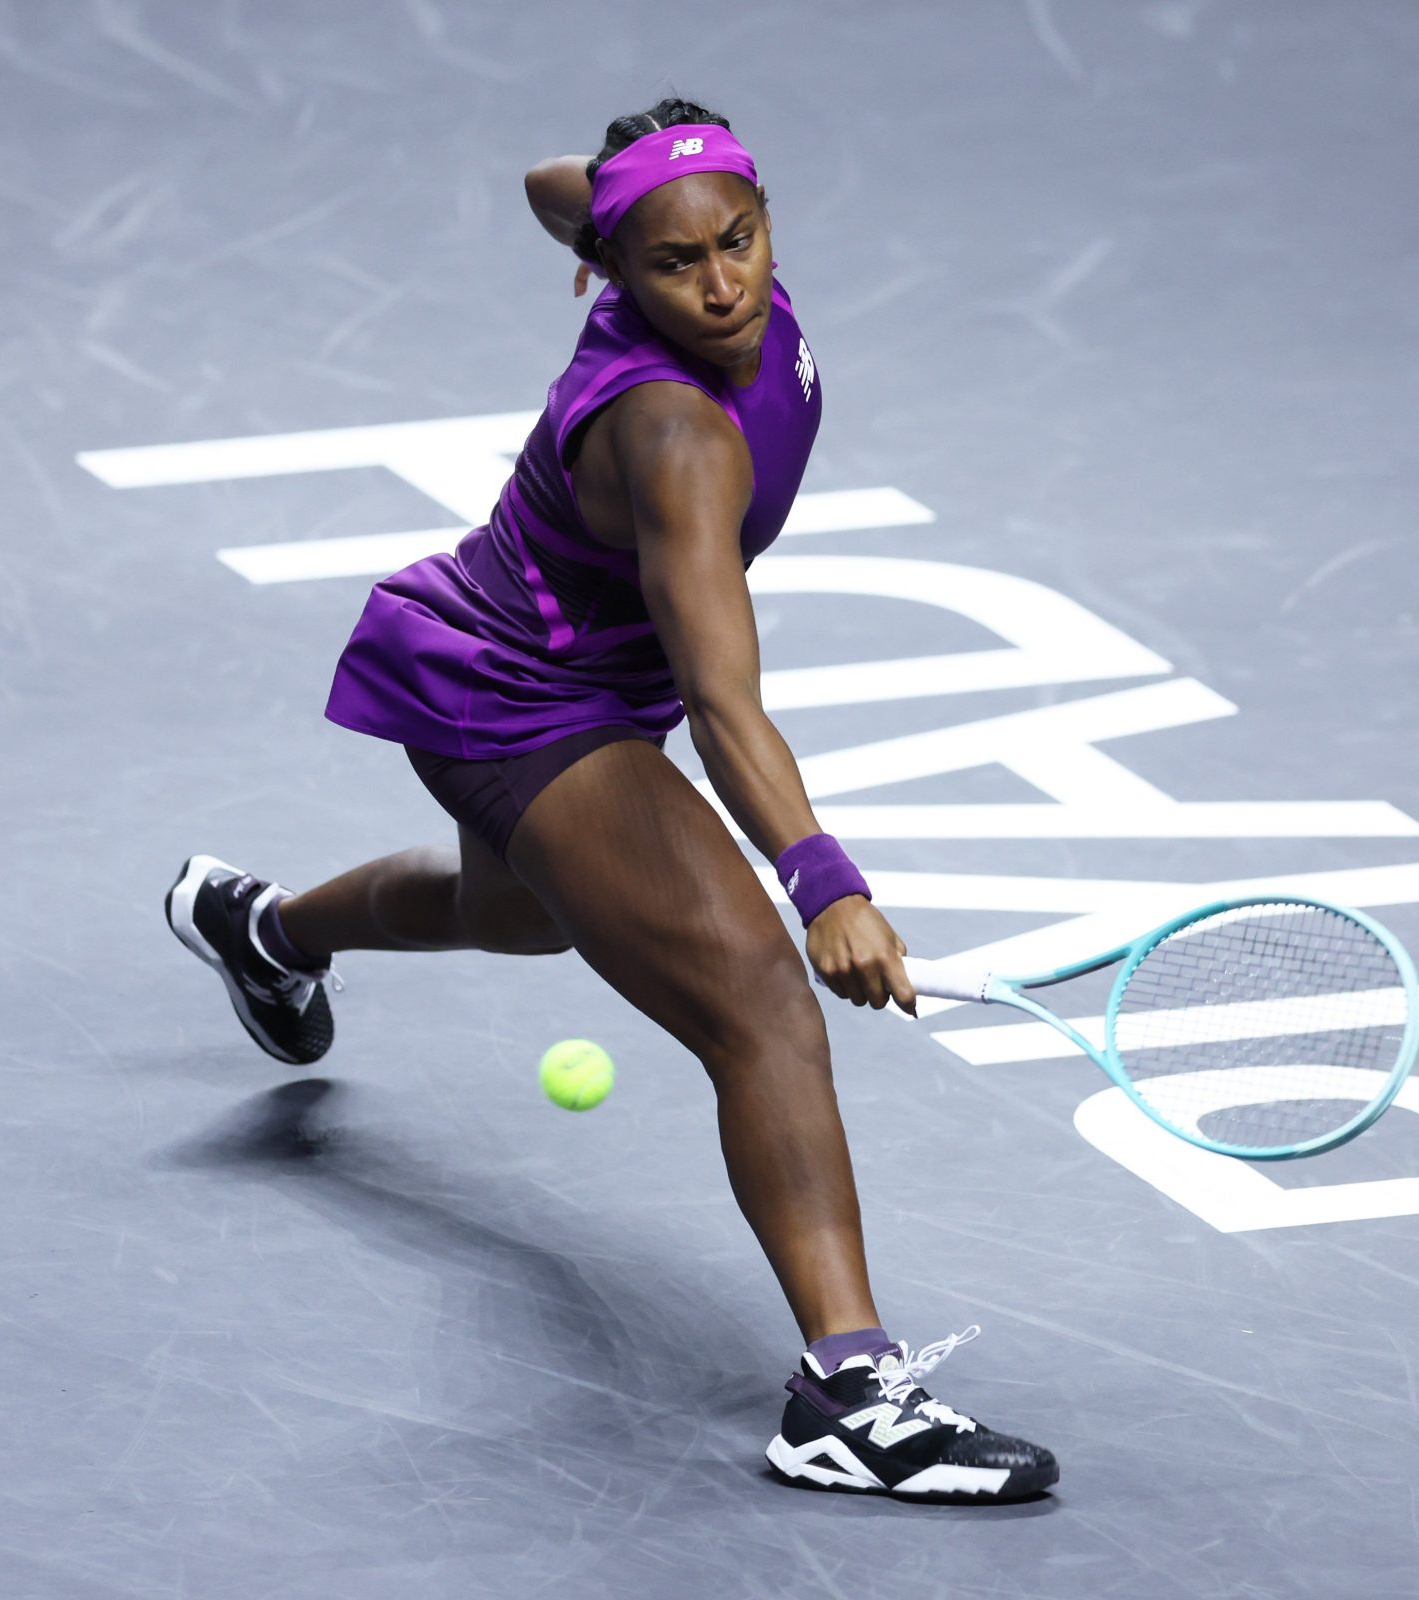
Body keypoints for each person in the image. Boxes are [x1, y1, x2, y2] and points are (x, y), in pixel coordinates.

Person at [165, 98, 1057, 1502]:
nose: (720, 286)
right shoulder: (674, 435)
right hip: (521, 697)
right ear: (622, 273)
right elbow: (720, 703)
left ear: (763, 212)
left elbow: (555, 179)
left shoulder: (657, 232)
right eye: (675, 264)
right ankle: (849, 1392)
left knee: (510, 912)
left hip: (514, 650)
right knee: (760, 1001)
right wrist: (826, 884)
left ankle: (266, 931)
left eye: (740, 241)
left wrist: (602, 213)